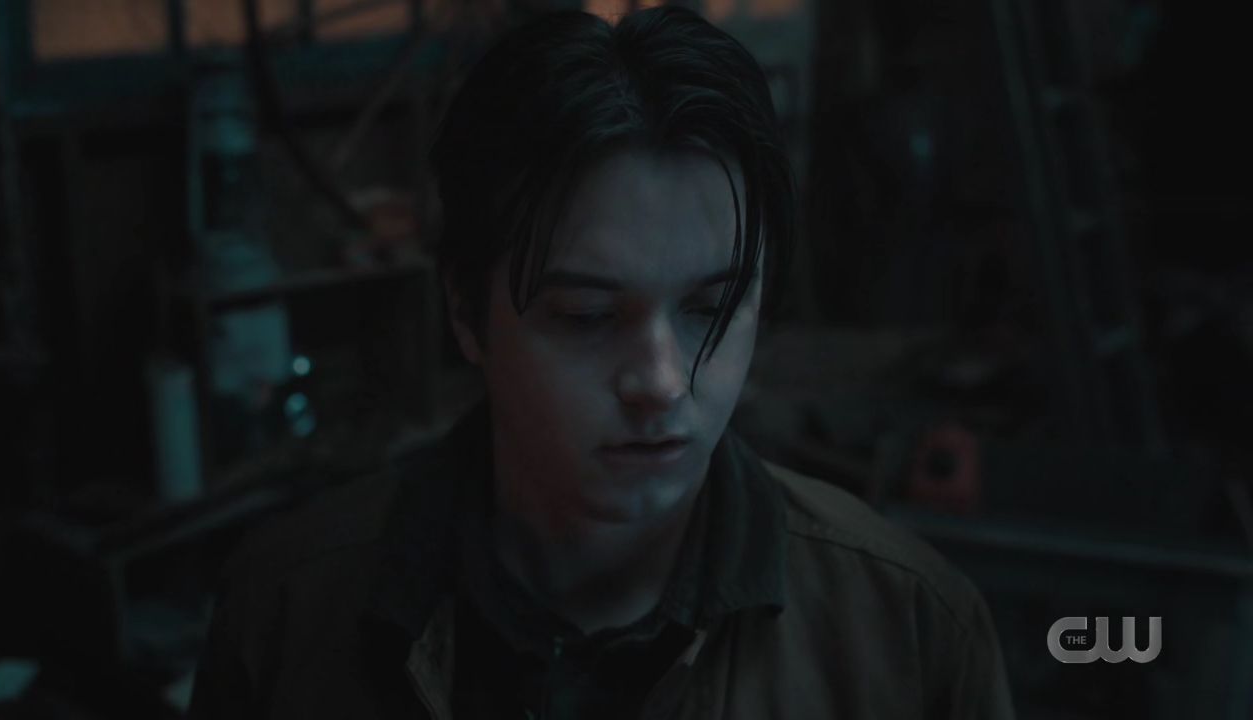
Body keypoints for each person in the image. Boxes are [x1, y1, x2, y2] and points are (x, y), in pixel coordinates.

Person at [187, 6, 1016, 719]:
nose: (661, 382)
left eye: (711, 308)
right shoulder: (287, 616)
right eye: (586, 316)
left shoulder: (910, 630)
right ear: (465, 313)